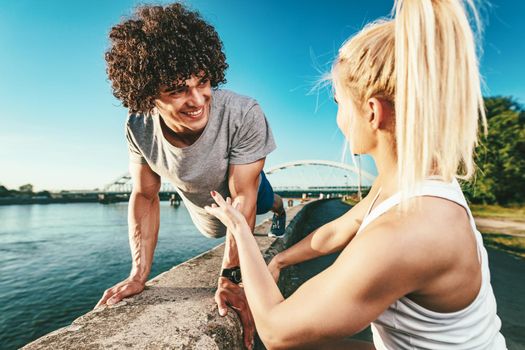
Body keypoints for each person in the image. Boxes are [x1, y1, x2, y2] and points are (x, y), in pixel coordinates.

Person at [205, 0, 507, 349]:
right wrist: (281, 259)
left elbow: (275, 331)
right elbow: (341, 228)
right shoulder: (412, 180)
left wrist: (241, 229)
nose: (339, 121)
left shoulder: (407, 234)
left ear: (372, 112)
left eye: (339, 104)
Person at [94, 3, 286, 349]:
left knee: (262, 198)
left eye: (203, 81)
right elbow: (145, 195)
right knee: (213, 224)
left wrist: (230, 276)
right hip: (200, 202)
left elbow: (243, 196)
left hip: (242, 192)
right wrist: (139, 274)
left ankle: (281, 205)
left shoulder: (244, 113)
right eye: (177, 89)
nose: (197, 100)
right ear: (148, 94)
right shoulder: (137, 125)